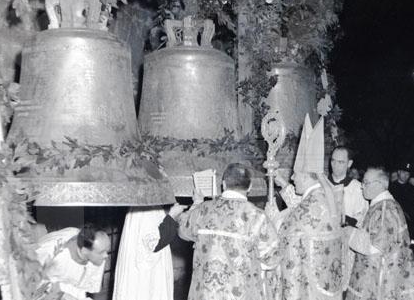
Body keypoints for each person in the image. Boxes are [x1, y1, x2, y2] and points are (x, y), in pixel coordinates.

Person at [177, 163, 278, 300]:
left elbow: (182, 230)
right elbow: (272, 259)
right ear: (249, 187)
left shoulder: (203, 210)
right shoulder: (258, 217)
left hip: (205, 294)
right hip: (240, 294)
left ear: (223, 184)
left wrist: (197, 203)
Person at [277, 115, 344, 300]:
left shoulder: (307, 209)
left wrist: (274, 217)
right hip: (328, 285)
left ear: (306, 176)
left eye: (295, 175)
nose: (292, 178)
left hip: (309, 290)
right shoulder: (324, 197)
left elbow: (286, 238)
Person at [345, 166, 414, 300]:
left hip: (381, 284)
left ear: (379, 185)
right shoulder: (381, 205)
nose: (362, 186)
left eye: (366, 182)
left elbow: (374, 246)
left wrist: (347, 232)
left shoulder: (385, 209)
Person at [112, 203, 186, 300]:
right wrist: (172, 216)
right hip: (146, 275)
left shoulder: (144, 205)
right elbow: (155, 244)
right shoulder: (147, 210)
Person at [36, 224, 111, 300]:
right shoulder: (52, 254)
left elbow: (86, 290)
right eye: (101, 252)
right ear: (84, 251)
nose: (106, 255)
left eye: (107, 250)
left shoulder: (94, 252)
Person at [330, 146, 368, 295]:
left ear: (349, 164)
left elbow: (363, 218)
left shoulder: (358, 188)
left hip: (347, 246)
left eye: (340, 162)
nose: (335, 165)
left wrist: (346, 221)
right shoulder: (322, 185)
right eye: (333, 161)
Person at [389, 162, 414, 238]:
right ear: (399, 172)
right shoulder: (390, 188)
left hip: (409, 224)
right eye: (404, 172)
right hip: (394, 223)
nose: (406, 175)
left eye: (408, 174)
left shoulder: (413, 189)